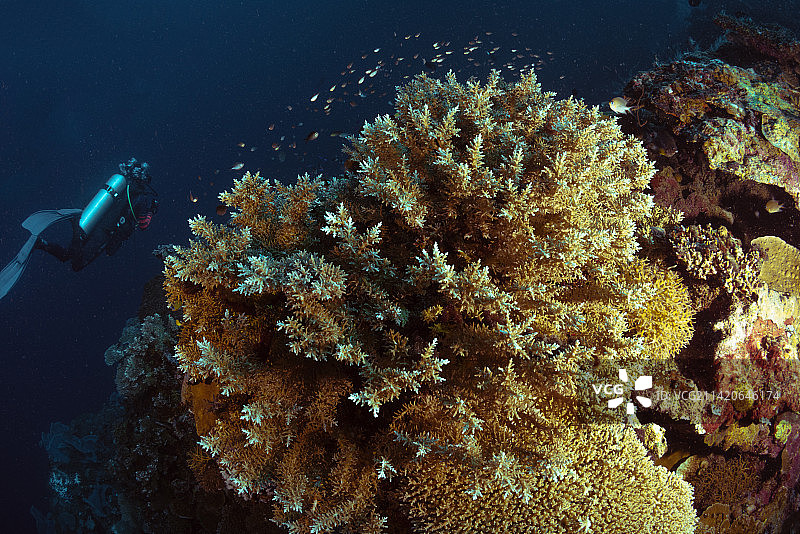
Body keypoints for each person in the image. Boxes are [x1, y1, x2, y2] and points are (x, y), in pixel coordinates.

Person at [0, 158, 158, 300]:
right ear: (144, 180)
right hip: (104, 233)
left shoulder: (122, 186)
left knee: (67, 255)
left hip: (92, 221)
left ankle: (41, 243)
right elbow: (144, 224)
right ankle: (75, 232)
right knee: (77, 264)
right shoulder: (142, 197)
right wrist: (152, 210)